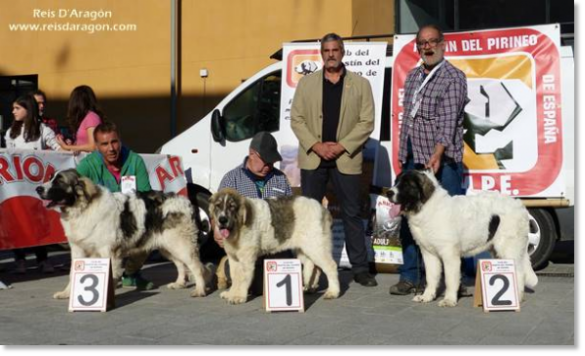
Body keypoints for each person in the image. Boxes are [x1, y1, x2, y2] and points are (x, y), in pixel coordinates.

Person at [290, 33, 377, 287]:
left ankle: (360, 269)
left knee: (351, 212)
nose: (331, 54)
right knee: (310, 215)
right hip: (313, 157)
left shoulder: (360, 84)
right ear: (321, 54)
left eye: (335, 50)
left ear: (342, 52)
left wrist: (341, 146)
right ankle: (309, 267)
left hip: (345, 158)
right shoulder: (306, 84)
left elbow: (366, 122)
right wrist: (316, 145)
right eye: (326, 50)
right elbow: (297, 119)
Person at [390, 24, 470, 295]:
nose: (428, 46)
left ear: (443, 44)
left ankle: (452, 284)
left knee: (448, 225)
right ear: (417, 46)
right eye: (423, 43)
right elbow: (408, 118)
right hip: (413, 159)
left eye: (433, 41)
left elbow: (447, 123)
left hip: (442, 162)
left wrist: (437, 153)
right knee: (410, 219)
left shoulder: (453, 77)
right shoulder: (412, 77)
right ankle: (410, 276)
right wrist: (402, 156)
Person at [213, 131, 293, 294]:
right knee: (254, 287)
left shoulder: (281, 179)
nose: (269, 166)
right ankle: (227, 266)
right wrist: (216, 229)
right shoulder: (231, 179)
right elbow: (218, 210)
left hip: (274, 245)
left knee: (271, 287)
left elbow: (290, 213)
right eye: (265, 161)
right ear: (251, 154)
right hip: (245, 246)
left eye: (272, 162)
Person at [76, 121, 153, 289]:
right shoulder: (87, 165)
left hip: (130, 221)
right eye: (104, 144)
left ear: (120, 140)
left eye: (114, 142)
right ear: (96, 146)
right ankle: (101, 277)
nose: (111, 148)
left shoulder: (135, 161)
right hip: (100, 224)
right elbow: (74, 192)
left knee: (148, 234)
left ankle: (131, 273)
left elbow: (146, 197)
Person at [5, 94, 60, 274]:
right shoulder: (10, 133)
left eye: (17, 108)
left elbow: (59, 151)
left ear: (27, 110)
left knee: (38, 223)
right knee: (18, 222)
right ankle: (20, 260)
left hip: (38, 186)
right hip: (17, 186)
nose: (13, 111)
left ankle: (42, 260)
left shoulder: (44, 130)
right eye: (13, 108)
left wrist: (71, 152)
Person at [56, 85, 104, 153]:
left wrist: (67, 147)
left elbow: (93, 146)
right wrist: (72, 145)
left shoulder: (91, 118)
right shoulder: (85, 118)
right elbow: (83, 144)